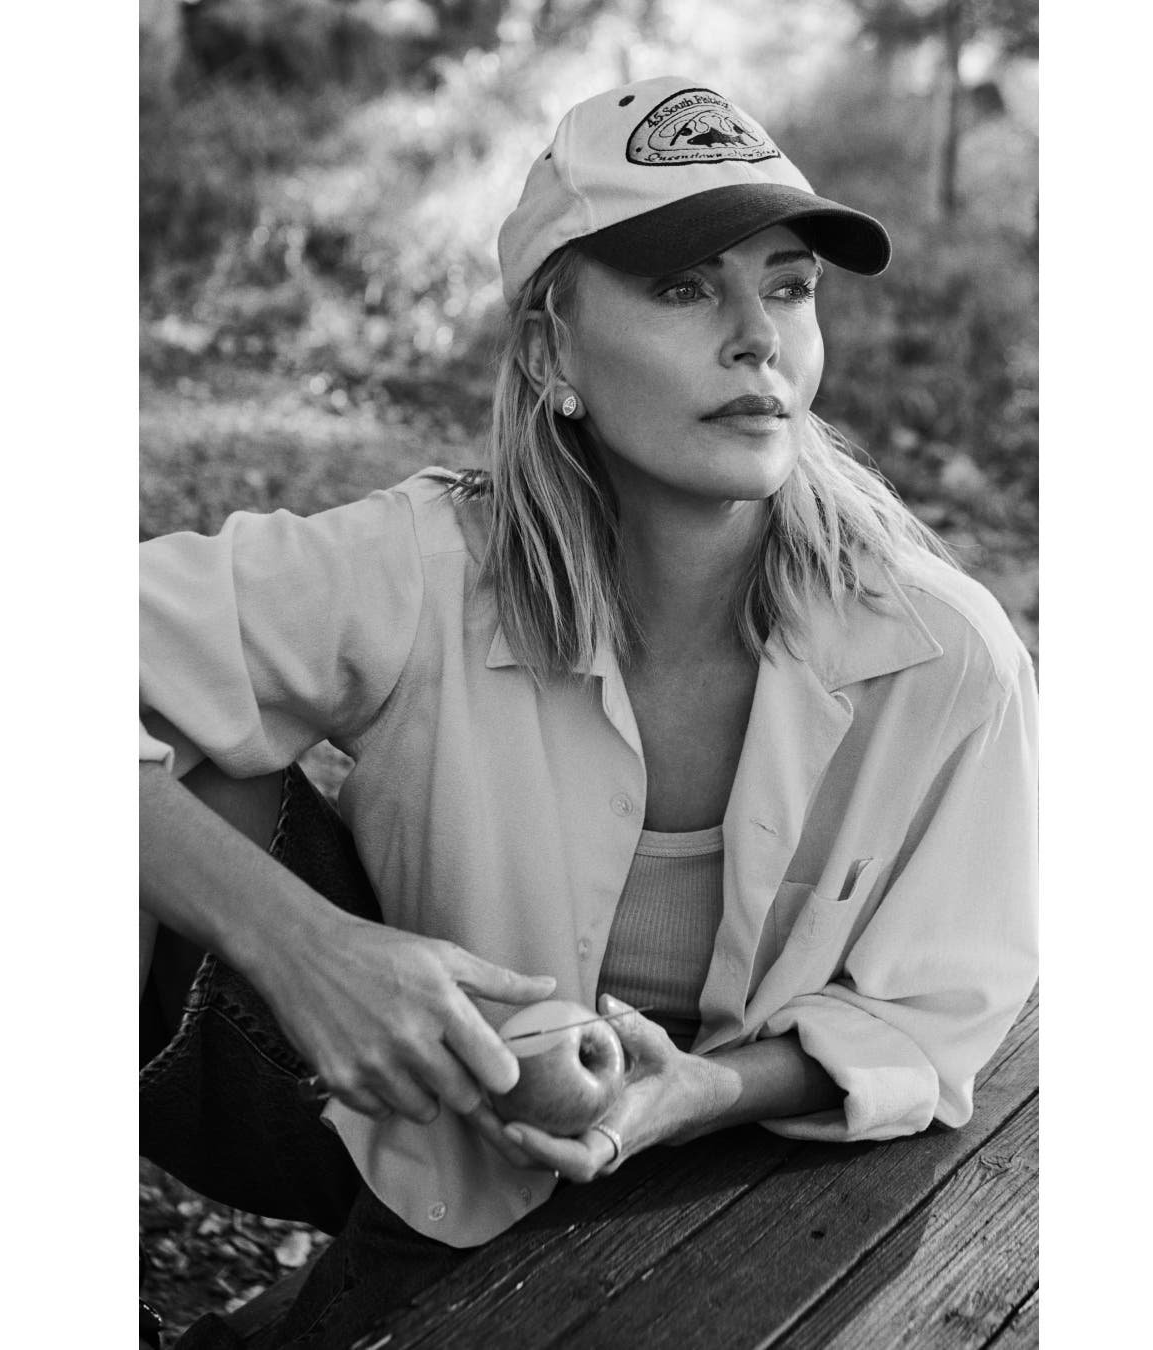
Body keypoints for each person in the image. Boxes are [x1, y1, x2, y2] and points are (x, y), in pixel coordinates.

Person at [139, 74, 1037, 1349]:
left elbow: (944, 1009)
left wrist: (700, 1092)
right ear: (555, 350)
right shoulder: (423, 565)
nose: (758, 341)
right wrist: (301, 946)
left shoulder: (950, 659)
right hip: (412, 1126)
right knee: (190, 779)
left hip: (761, 1177)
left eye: (787, 286)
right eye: (684, 287)